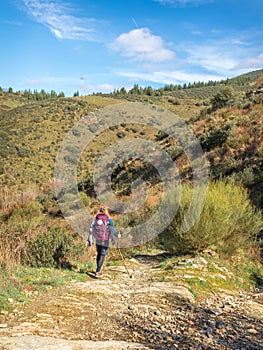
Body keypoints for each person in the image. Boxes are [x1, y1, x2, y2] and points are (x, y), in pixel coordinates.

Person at [86, 206, 120, 278]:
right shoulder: (109, 219)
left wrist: (89, 240)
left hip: (98, 239)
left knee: (99, 253)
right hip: (105, 239)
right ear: (107, 211)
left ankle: (97, 269)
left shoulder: (96, 218)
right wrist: (117, 235)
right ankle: (98, 271)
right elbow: (112, 230)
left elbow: (91, 229)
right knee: (102, 254)